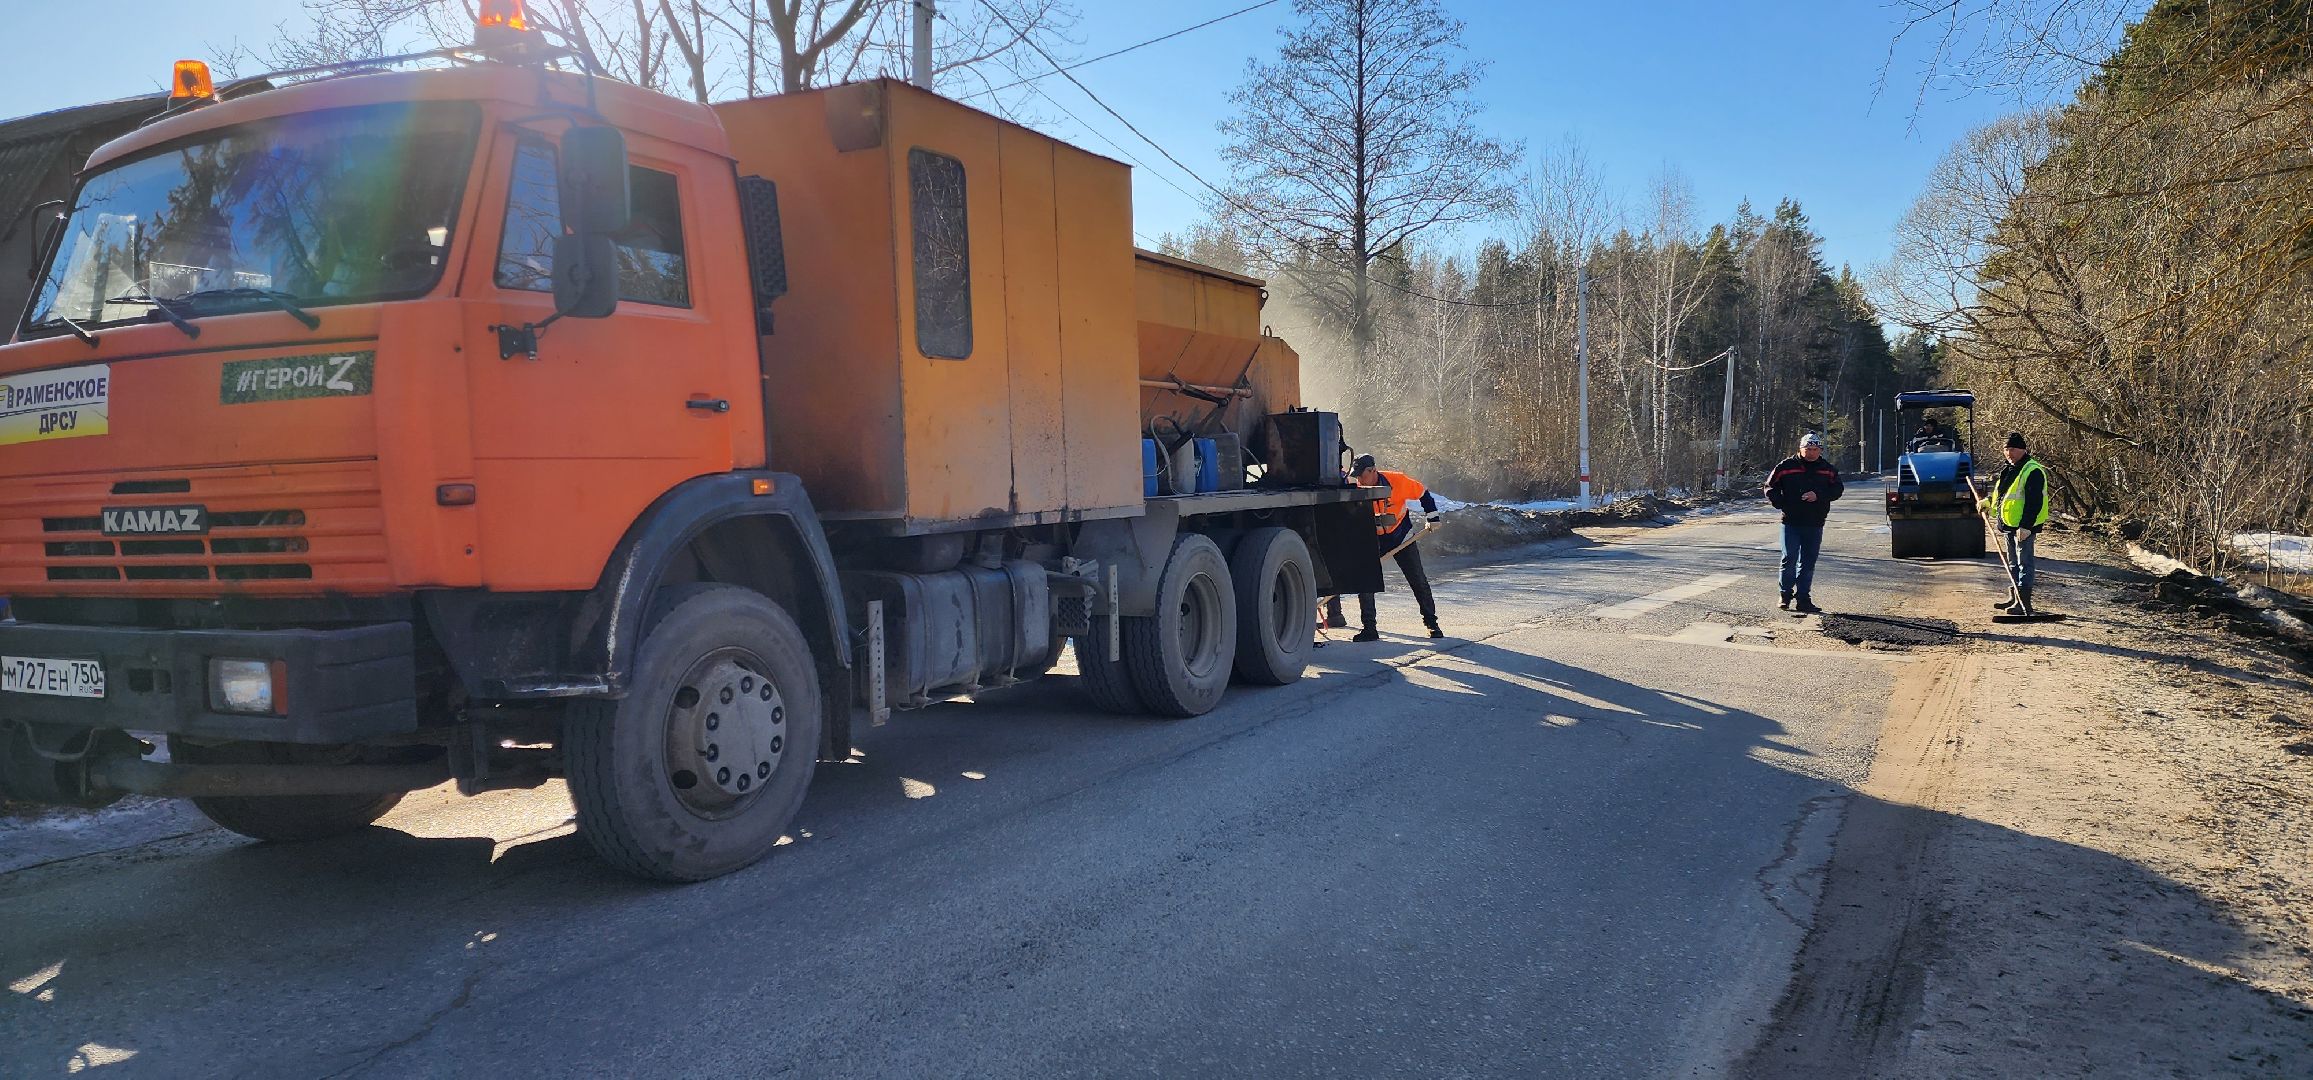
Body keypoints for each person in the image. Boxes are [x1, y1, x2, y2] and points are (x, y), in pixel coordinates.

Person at [1324, 454, 1443, 641]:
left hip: (1401, 537)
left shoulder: (1398, 481)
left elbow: (1423, 493)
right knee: (1365, 580)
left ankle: (1432, 624)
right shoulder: (1357, 487)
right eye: (1356, 476)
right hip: (1373, 539)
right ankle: (1369, 629)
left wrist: (1433, 518)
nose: (1359, 480)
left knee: (1417, 579)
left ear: (1372, 471)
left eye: (1362, 475)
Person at [1765, 432, 1843, 613]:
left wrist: (1819, 496)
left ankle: (1803, 598)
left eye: (1815, 449)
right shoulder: (1786, 466)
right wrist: (1782, 503)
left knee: (1808, 562)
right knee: (1789, 558)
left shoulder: (1827, 469)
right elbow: (1770, 486)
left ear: (1820, 450)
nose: (1811, 453)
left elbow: (1838, 489)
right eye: (1808, 449)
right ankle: (1785, 595)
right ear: (1800, 449)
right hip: (1791, 521)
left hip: (1815, 522)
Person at [1981, 431, 2049, 615]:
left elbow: (2035, 501)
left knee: (2024, 563)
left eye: (2013, 449)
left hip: (2023, 527)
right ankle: (2015, 597)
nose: (2009, 453)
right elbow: (2002, 496)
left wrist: (2026, 526)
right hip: (2009, 525)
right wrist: (1987, 503)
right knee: (2012, 563)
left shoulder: (2032, 470)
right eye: (2006, 449)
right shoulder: (2009, 469)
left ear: (2023, 450)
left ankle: (2023, 603)